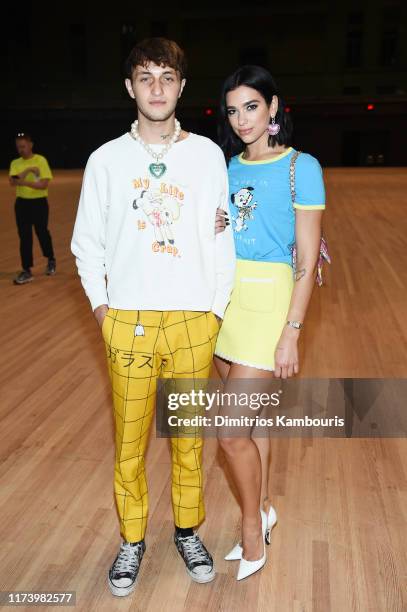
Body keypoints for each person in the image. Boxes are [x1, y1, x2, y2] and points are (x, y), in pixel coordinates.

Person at [70, 37, 236, 597]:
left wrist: (214, 311)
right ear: (130, 86)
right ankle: (133, 539)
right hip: (129, 322)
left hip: (194, 319)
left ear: (182, 86)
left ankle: (188, 531)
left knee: (189, 439)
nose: (157, 87)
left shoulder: (208, 156)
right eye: (146, 77)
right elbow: (85, 244)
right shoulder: (106, 160)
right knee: (130, 443)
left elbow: (222, 239)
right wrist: (102, 312)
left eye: (167, 76)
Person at [213, 65, 326, 580]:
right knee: (252, 425)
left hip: (270, 302)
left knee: (229, 432)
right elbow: (229, 227)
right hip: (227, 299)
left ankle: (252, 532)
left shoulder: (302, 167)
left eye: (252, 106)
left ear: (275, 107)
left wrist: (292, 331)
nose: (242, 119)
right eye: (233, 110)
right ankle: (265, 506)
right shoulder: (226, 167)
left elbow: (305, 259)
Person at [9, 133, 56, 284]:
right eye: (18, 147)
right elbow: (12, 181)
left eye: (23, 146)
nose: (20, 149)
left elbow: (43, 184)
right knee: (24, 236)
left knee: (42, 232)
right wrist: (28, 171)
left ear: (30, 145)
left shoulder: (41, 160)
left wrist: (22, 182)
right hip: (22, 204)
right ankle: (27, 270)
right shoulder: (15, 162)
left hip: (39, 203)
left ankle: (50, 259)